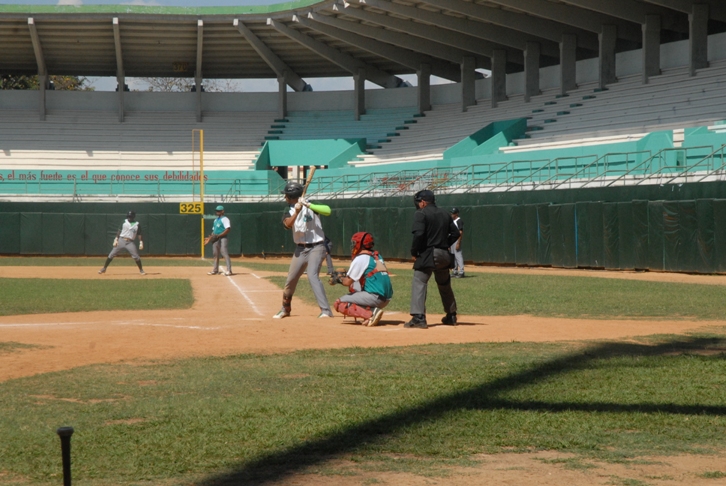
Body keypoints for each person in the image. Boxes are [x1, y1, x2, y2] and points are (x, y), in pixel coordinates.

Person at [273, 181, 334, 319]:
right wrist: (297, 211)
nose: (285, 198)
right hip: (300, 248)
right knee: (291, 279)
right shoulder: (287, 209)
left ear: (291, 196)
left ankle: (326, 311)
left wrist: (307, 204)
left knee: (312, 275)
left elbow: (328, 211)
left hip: (317, 246)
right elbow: (287, 225)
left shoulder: (311, 203)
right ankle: (285, 309)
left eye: (286, 195)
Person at [406, 190, 460, 329]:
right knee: (444, 284)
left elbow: (419, 234)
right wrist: (445, 244)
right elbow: (455, 233)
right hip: (444, 254)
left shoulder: (421, 213)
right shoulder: (444, 213)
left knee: (419, 281)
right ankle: (451, 315)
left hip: (429, 253)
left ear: (423, 202)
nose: (418, 205)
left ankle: (418, 317)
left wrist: (414, 251)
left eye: (419, 202)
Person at [329, 232, 393, 327]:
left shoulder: (361, 258)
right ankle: (371, 312)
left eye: (355, 243)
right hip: (387, 298)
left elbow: (347, 282)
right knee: (355, 287)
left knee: (339, 303)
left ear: (360, 244)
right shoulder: (377, 256)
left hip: (375, 297)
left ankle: (371, 313)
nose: (353, 246)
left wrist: (339, 279)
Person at [98, 211, 146, 276]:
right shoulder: (124, 222)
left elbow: (139, 234)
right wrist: (116, 239)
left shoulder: (137, 224)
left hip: (130, 242)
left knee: (136, 256)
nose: (129, 218)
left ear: (133, 217)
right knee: (111, 254)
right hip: (121, 240)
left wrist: (141, 241)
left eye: (131, 217)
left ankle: (141, 270)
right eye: (128, 216)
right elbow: (119, 231)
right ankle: (104, 268)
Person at [205, 205, 232, 276]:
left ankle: (229, 270)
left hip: (223, 238)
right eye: (217, 211)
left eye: (219, 211)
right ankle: (215, 270)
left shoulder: (225, 219)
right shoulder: (215, 220)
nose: (217, 212)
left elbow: (228, 229)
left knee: (224, 252)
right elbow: (214, 231)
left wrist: (219, 235)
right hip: (215, 238)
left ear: (222, 211)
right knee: (215, 254)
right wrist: (209, 238)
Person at [450, 207, 465, 278]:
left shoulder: (459, 221)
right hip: (452, 240)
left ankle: (461, 272)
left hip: (456, 240)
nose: (452, 214)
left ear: (456, 214)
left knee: (458, 256)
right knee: (453, 256)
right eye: (451, 213)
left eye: (453, 213)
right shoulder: (452, 221)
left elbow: (461, 232)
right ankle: (455, 271)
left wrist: (458, 242)